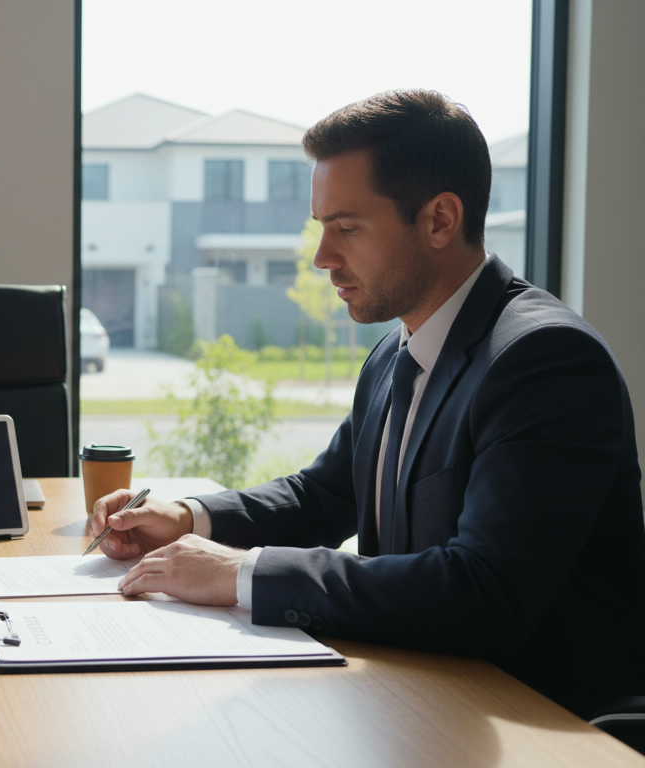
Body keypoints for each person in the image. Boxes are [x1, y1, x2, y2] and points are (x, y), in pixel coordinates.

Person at [90, 89, 645, 718]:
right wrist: (188, 517)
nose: (323, 258)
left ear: (439, 219)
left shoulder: (544, 360)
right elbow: (325, 496)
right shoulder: (395, 353)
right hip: (413, 695)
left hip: (537, 720)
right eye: (321, 229)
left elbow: (484, 593)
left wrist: (242, 572)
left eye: (346, 228)